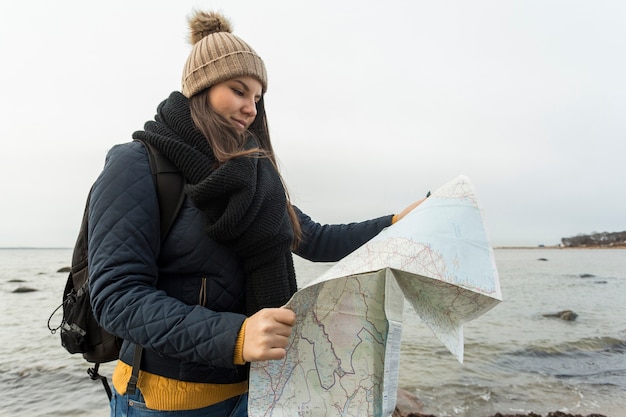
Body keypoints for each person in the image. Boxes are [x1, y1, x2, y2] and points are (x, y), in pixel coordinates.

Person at [88, 10, 424, 417]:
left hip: (258, 393)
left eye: (257, 98)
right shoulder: (138, 164)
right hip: (163, 402)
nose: (250, 108)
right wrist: (237, 335)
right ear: (202, 87)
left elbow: (313, 237)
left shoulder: (252, 177)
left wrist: (394, 225)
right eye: (238, 90)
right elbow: (116, 297)